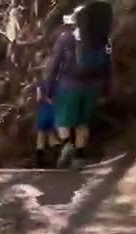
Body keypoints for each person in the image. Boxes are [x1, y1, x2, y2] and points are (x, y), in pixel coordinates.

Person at [42, 2, 114, 168]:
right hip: (93, 87)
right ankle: (79, 157)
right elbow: (108, 69)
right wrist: (106, 91)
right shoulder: (104, 40)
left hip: (69, 87)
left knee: (62, 121)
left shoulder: (66, 38)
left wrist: (49, 90)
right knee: (82, 123)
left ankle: (68, 144)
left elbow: (54, 65)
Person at [33, 79, 60, 167]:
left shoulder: (40, 84)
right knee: (51, 136)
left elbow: (38, 98)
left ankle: (39, 162)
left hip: (43, 111)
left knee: (40, 136)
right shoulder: (57, 83)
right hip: (54, 111)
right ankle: (58, 158)